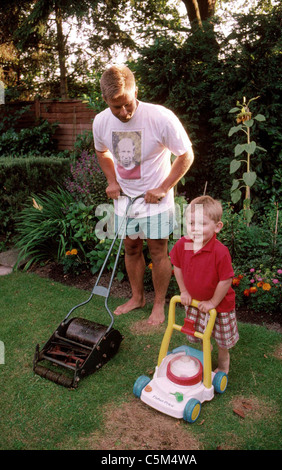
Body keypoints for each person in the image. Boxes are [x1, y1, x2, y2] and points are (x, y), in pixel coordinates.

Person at [92, 65, 194, 325]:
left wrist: (163, 187)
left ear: (135, 90)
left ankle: (158, 304)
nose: (124, 112)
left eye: (127, 104)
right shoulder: (101, 121)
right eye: (117, 107)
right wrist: (111, 180)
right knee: (131, 247)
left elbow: (186, 155)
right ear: (105, 101)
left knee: (158, 251)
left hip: (156, 200)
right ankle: (137, 297)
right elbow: (101, 152)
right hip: (125, 201)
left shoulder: (160, 117)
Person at [170, 195, 239, 373]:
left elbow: (226, 280)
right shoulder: (183, 245)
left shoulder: (220, 252)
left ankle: (223, 367)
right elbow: (177, 266)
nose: (196, 229)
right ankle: (204, 360)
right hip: (195, 303)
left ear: (217, 227)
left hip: (220, 306)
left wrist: (213, 303)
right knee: (200, 335)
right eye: (192, 223)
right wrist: (183, 291)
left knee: (222, 341)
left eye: (202, 224)